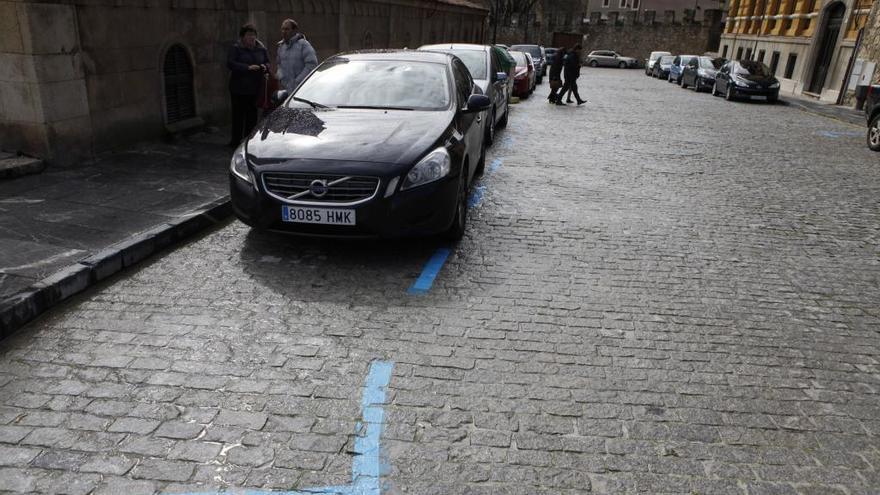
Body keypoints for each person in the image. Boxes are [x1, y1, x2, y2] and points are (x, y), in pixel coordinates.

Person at [227, 23, 270, 147]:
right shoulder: (236, 48)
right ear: (242, 37)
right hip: (238, 89)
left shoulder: (261, 48)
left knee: (252, 116)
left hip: (254, 89)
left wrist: (264, 66)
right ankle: (235, 142)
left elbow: (268, 62)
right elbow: (230, 63)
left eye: (253, 35)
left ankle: (248, 141)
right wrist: (247, 67)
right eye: (249, 35)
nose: (252, 37)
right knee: (238, 116)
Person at [276, 19, 318, 93]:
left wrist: (298, 82)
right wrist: (281, 78)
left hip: (303, 90)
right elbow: (279, 64)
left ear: (294, 30)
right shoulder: (281, 47)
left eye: (287, 29)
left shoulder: (304, 44)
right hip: (287, 89)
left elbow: (312, 65)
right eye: (282, 29)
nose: (284, 32)